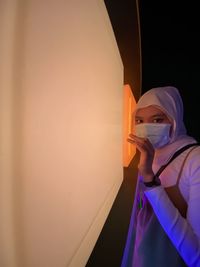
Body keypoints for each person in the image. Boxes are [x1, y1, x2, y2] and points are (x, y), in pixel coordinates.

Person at [121, 86, 200, 267]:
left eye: (157, 120)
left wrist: (149, 179)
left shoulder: (194, 159)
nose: (146, 128)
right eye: (139, 120)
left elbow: (196, 257)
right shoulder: (146, 157)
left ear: (174, 120)